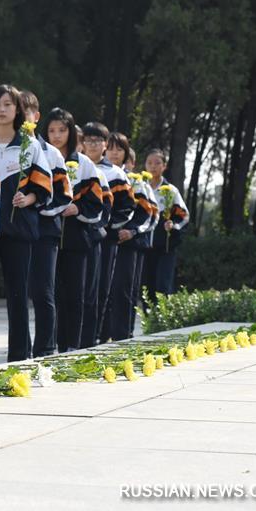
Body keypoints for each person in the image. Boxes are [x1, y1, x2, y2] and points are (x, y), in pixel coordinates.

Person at [0, 85, 52, 364]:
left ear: (17, 110)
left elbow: (44, 184)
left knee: (18, 295)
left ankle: (19, 355)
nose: (1, 109)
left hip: (18, 231)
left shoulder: (29, 146)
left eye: (7, 104)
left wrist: (28, 198)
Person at [41, 108, 103, 352]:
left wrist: (77, 209)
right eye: (52, 130)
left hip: (77, 239)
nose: (56, 136)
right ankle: (52, 343)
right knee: (51, 294)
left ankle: (72, 346)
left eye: (62, 130)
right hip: (48, 236)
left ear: (71, 132)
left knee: (76, 294)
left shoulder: (84, 163)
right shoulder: (41, 157)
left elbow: (97, 202)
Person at [22, 92, 71, 358]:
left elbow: (64, 195)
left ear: (36, 117)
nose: (21, 118)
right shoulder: (3, 147)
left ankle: (44, 348)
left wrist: (38, 207)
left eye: (25, 112)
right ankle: (20, 349)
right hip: (16, 233)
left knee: (43, 292)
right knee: (19, 293)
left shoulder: (50, 153)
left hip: (44, 231)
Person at [82, 123, 135, 346]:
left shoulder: (115, 174)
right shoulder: (76, 167)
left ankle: (99, 336)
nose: (92, 145)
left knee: (101, 289)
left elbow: (127, 207)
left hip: (104, 240)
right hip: (78, 238)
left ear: (104, 145)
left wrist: (107, 227)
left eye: (97, 141)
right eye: (89, 140)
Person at [100, 133, 155, 341]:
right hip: (105, 239)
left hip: (127, 243)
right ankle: (102, 335)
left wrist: (130, 231)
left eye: (119, 149)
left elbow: (146, 212)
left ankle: (123, 335)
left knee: (122, 290)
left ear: (126, 153)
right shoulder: (98, 172)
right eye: (111, 148)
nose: (114, 153)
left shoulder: (134, 181)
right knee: (103, 289)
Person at [143, 149, 190, 299]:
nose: (153, 167)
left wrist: (173, 225)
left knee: (162, 285)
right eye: (149, 163)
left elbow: (184, 216)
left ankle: (163, 319)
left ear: (164, 166)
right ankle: (149, 320)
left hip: (165, 247)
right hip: (144, 246)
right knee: (146, 287)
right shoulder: (139, 188)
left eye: (157, 163)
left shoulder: (170, 191)